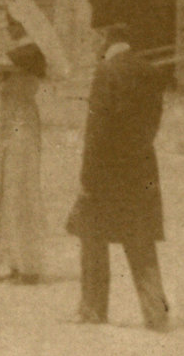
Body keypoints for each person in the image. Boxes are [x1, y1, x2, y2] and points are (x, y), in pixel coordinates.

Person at [65, 21, 172, 331]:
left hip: (106, 169)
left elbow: (96, 132)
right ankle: (156, 312)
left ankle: (92, 309)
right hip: (140, 165)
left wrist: (87, 177)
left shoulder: (106, 72)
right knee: (141, 239)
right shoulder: (151, 72)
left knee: (92, 237)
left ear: (106, 40)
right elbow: (152, 124)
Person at [0, 0, 52, 285]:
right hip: (9, 124)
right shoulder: (21, 49)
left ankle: (29, 266)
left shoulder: (31, 51)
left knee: (21, 193)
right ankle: (15, 263)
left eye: (12, 24)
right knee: (6, 192)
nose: (9, 29)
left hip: (21, 124)